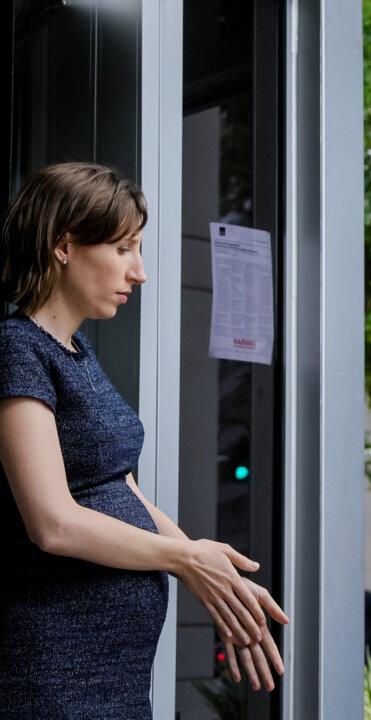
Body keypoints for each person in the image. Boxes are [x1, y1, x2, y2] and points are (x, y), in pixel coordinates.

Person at [0, 162, 289, 716]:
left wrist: (215, 575)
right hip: (52, 668)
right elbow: (53, 523)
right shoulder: (18, 350)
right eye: (124, 248)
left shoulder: (77, 354)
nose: (140, 272)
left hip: (114, 672)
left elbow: (120, 487)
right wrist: (184, 560)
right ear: (64, 246)